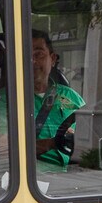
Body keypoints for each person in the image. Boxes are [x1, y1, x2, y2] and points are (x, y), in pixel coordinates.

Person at [30, 29, 82, 167]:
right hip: (32, 178)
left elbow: (92, 131)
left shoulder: (70, 96)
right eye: (25, 55)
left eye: (38, 54)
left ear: (52, 59)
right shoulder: (7, 101)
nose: (32, 61)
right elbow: (5, 149)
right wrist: (54, 142)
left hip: (77, 173)